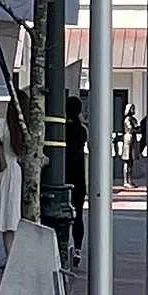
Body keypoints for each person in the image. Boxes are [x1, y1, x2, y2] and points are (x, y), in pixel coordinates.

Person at [0, 100, 26, 267]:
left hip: (6, 172)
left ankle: (10, 258)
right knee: (16, 216)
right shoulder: (26, 129)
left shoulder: (1, 124)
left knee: (7, 218)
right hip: (21, 173)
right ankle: (15, 257)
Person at [65, 95, 88, 267]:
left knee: (62, 214)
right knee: (78, 215)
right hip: (79, 177)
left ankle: (64, 246)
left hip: (62, 176)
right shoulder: (82, 130)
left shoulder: (60, 129)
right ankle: (78, 248)